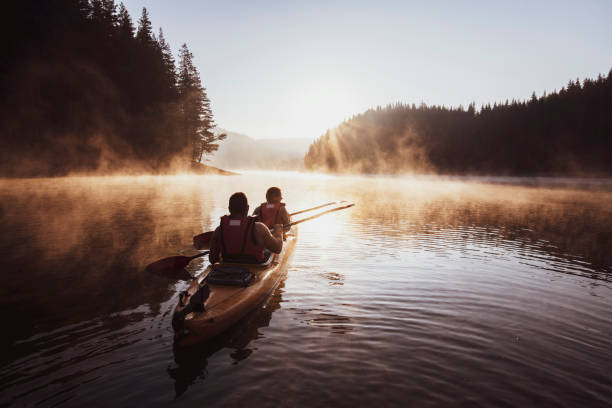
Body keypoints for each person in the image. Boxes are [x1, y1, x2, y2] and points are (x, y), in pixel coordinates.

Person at [209, 192, 283, 264]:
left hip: (227, 268)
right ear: (247, 208)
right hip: (254, 268)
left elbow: (212, 259)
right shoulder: (259, 228)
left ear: (229, 209)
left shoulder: (219, 230)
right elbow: (278, 249)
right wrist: (279, 232)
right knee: (267, 250)